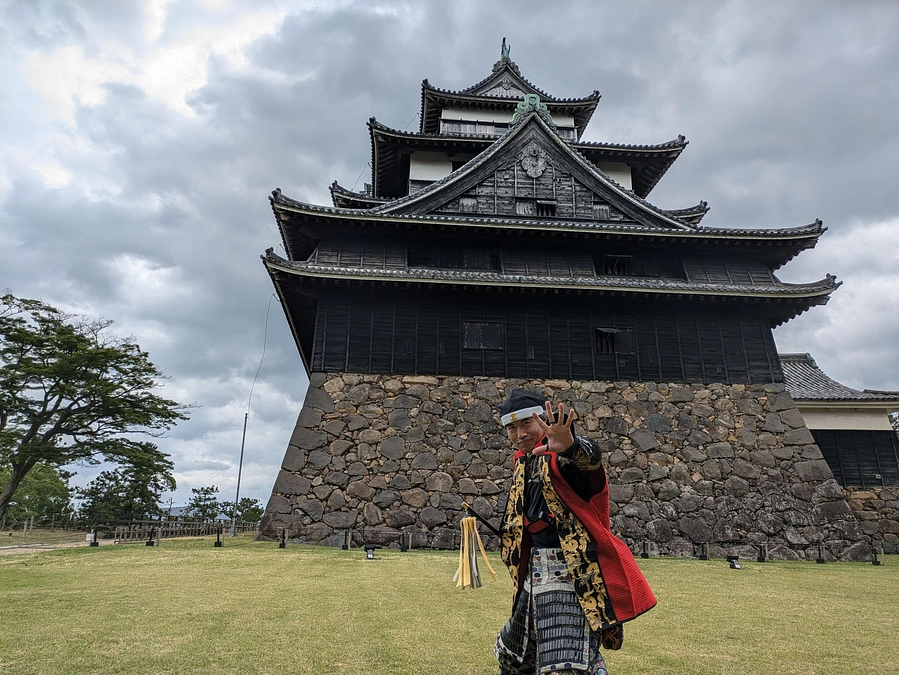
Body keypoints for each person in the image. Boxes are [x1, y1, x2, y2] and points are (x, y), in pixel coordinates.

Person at [494, 389, 656, 675]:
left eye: (526, 424)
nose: (519, 434)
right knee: (515, 657)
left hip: (571, 575)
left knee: (568, 663)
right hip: (534, 574)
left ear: (543, 421)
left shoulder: (561, 457)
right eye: (512, 427)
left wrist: (570, 446)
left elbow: (589, 462)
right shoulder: (522, 461)